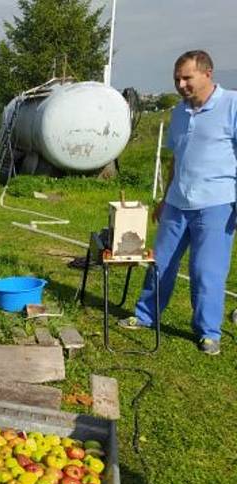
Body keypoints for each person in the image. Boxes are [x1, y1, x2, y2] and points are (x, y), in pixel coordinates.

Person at [119, 50, 237, 355]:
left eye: (187, 77)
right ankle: (145, 315)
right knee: (160, 264)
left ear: (207, 74)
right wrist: (164, 198)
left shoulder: (232, 105)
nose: (181, 84)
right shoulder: (179, 113)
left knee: (205, 271)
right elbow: (176, 159)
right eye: (177, 79)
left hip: (217, 205)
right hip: (176, 203)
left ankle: (208, 332)